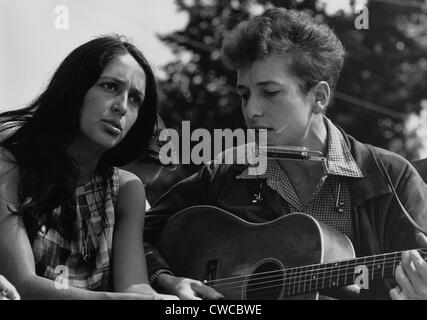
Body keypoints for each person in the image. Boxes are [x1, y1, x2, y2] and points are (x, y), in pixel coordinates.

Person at [143, 8, 427, 300]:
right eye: (244, 94)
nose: (251, 110)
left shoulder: (392, 177)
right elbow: (140, 234)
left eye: (270, 92)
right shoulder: (226, 171)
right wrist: (166, 280)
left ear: (318, 97)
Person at [0, 35, 177, 300]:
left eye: (135, 99)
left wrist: (160, 299)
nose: (121, 107)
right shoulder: (9, 165)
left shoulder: (128, 189)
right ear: (75, 88)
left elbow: (134, 287)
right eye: (110, 86)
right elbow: (22, 285)